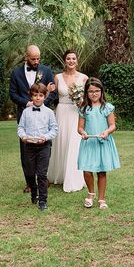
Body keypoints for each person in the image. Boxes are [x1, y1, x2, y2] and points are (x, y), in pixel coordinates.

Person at [9, 45, 56, 193]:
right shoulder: (16, 73)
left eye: (38, 58)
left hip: (43, 118)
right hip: (25, 116)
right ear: (26, 57)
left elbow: (52, 93)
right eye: (33, 58)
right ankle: (30, 183)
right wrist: (27, 103)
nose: (36, 61)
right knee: (26, 152)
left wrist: (41, 105)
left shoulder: (46, 71)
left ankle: (43, 179)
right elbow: (13, 94)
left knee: (45, 149)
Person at [47, 50, 87, 192]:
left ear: (77, 61)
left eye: (73, 58)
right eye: (68, 58)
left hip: (76, 113)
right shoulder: (57, 77)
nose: (71, 61)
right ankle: (60, 175)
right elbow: (51, 95)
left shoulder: (83, 78)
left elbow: (89, 98)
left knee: (74, 144)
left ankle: (75, 177)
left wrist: (81, 102)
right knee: (61, 142)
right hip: (62, 112)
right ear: (65, 61)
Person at [77, 78, 120, 210]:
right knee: (87, 170)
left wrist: (107, 132)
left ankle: (101, 199)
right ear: (86, 93)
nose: (94, 94)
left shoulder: (107, 107)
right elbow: (79, 128)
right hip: (89, 143)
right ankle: (91, 193)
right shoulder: (84, 109)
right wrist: (83, 133)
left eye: (97, 91)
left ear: (101, 92)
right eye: (90, 91)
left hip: (102, 142)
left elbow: (112, 125)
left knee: (101, 171)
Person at [17, 83, 59, 211]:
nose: (38, 98)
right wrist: (23, 136)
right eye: (35, 95)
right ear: (31, 96)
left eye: (41, 95)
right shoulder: (26, 112)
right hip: (29, 146)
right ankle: (33, 190)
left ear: (45, 96)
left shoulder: (49, 112)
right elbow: (20, 128)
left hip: (44, 146)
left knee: (41, 174)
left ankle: (43, 200)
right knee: (30, 173)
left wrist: (45, 137)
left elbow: (54, 129)